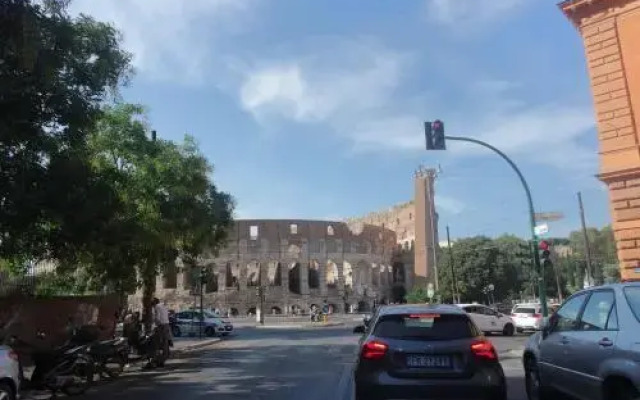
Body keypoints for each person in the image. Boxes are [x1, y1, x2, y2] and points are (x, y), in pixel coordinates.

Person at [151, 298, 171, 367]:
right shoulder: (163, 305)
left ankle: (158, 360)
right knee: (165, 344)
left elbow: (157, 318)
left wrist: (156, 325)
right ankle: (162, 360)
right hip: (166, 325)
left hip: (161, 326)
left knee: (157, 344)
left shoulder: (156, 307)